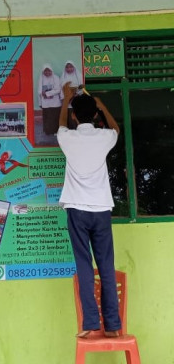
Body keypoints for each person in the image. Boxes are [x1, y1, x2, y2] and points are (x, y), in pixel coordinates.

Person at [57, 82, 122, 338]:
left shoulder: (68, 137)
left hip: (77, 210)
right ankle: (113, 326)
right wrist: (98, 102)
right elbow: (115, 128)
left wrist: (66, 99)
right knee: (106, 267)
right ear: (96, 115)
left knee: (84, 265)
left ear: (75, 116)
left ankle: (90, 324)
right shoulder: (105, 136)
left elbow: (61, 125)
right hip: (101, 209)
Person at [37, 63, 61, 135]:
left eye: (49, 71)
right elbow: (39, 92)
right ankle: (47, 131)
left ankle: (55, 131)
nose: (47, 72)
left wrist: (47, 93)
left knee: (55, 117)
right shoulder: (41, 78)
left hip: (55, 103)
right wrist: (40, 103)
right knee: (47, 118)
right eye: (45, 71)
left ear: (51, 71)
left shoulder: (56, 77)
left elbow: (58, 90)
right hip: (45, 103)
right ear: (43, 71)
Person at [60, 61, 83, 129]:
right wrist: (64, 99)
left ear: (74, 67)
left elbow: (82, 87)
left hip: (77, 100)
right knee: (69, 117)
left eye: (71, 67)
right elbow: (61, 89)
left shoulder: (79, 76)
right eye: (67, 67)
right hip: (67, 101)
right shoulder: (63, 77)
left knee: (77, 116)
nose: (69, 69)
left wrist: (76, 94)